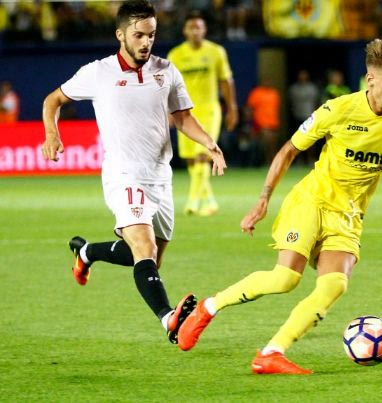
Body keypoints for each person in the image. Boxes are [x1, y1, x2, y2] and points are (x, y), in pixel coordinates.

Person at [176, 38, 382, 375]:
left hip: (348, 214)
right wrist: (263, 199)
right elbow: (289, 150)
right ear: (371, 80)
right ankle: (208, 307)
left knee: (334, 285)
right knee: (285, 279)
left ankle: (271, 353)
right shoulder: (337, 110)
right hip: (312, 200)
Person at [40, 0, 226, 344]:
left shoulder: (166, 71)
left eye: (151, 35)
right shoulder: (98, 73)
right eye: (139, 35)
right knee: (143, 246)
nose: (146, 42)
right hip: (123, 174)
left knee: (148, 256)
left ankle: (87, 253)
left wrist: (209, 143)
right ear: (121, 34)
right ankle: (170, 320)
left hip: (160, 177)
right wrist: (52, 134)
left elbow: (183, 116)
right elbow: (53, 100)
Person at [168, 11, 238, 216]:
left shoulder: (216, 52)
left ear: (204, 30)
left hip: (209, 110)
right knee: (191, 159)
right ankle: (209, 201)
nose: (195, 31)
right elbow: (170, 87)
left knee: (203, 154)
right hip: (184, 112)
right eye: (191, 27)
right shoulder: (175, 55)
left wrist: (232, 108)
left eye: (198, 27)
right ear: (185, 31)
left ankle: (192, 200)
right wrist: (168, 111)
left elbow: (226, 81)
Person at [246, 77, 281, 165]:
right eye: (266, 81)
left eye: (269, 81)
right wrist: (252, 123)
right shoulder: (256, 93)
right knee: (268, 142)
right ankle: (269, 162)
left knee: (273, 144)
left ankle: (272, 162)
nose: (268, 83)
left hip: (274, 123)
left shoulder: (274, 93)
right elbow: (250, 108)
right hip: (261, 123)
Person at [288, 69, 320, 165]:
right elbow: (290, 102)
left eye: (304, 75)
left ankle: (310, 158)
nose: (302, 77)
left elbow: (316, 102)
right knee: (298, 138)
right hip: (297, 115)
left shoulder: (312, 88)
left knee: (311, 139)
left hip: (309, 116)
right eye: (301, 75)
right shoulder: (294, 88)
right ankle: (300, 159)